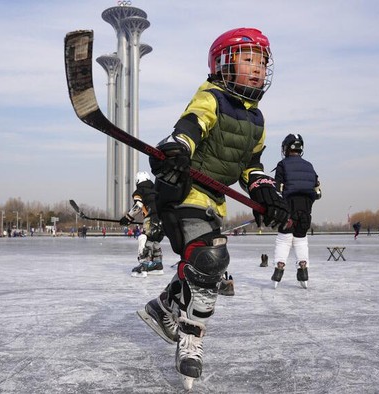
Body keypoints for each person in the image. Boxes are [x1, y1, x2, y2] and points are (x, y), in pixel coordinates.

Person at [136, 27, 288, 389]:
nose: (256, 68)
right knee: (210, 261)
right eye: (247, 59)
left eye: (261, 62)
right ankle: (191, 339)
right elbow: (189, 128)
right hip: (183, 193)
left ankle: (162, 307)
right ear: (223, 64)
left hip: (212, 202)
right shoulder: (212, 97)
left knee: (201, 267)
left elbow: (249, 166)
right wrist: (177, 149)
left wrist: (265, 192)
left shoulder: (257, 120)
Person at [269, 133, 321, 289]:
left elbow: (277, 190)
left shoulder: (282, 165)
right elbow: (318, 192)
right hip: (305, 210)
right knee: (301, 240)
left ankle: (279, 269)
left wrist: (274, 207)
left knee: (284, 239)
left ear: (286, 148)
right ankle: (303, 270)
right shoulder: (310, 166)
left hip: (288, 208)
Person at [120, 171, 164, 278]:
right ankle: (157, 265)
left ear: (138, 181)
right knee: (155, 240)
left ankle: (144, 265)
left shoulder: (139, 191)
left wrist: (127, 218)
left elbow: (138, 206)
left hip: (151, 218)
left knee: (144, 239)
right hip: (162, 219)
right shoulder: (156, 190)